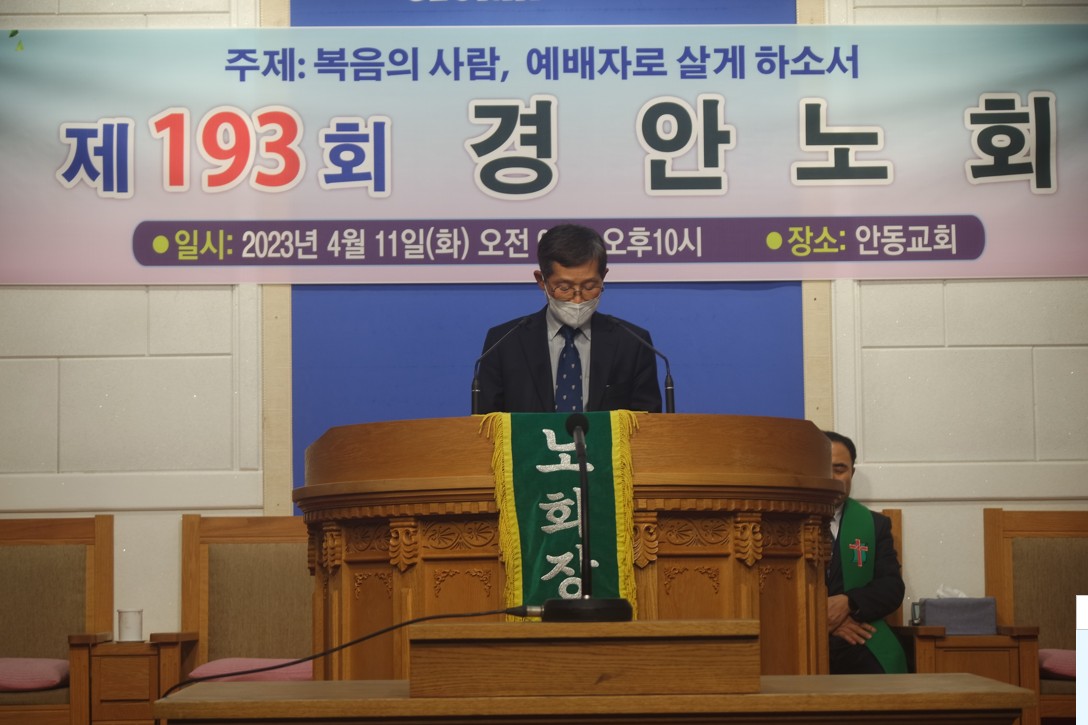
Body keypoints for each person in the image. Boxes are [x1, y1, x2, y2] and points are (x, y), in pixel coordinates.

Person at [475, 223, 662, 414]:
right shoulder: (503, 343)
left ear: (603, 277)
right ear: (541, 281)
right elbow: (487, 424)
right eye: (564, 288)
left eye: (590, 287)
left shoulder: (632, 343)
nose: (578, 299)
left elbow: (649, 424)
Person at [824, 431, 908, 674]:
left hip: (857, 638)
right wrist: (822, 618)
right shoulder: (783, 525)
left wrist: (849, 602)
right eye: (823, 468)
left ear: (852, 473)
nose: (832, 477)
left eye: (840, 469)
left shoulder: (874, 525)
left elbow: (891, 587)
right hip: (800, 634)